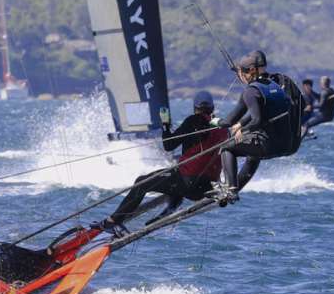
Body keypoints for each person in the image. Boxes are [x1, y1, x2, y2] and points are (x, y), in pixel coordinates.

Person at [98, 90, 231, 231]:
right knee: (174, 176)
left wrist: (166, 125)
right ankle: (170, 208)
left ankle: (113, 221)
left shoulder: (192, 121)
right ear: (212, 108)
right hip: (206, 189)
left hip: (188, 184)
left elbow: (168, 146)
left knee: (141, 182)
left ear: (195, 107)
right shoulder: (223, 129)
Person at [219, 50, 300, 193]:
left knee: (226, 147)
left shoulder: (250, 91)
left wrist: (217, 122)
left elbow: (235, 120)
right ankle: (234, 189)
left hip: (268, 145)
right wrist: (242, 124)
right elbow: (264, 111)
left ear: (250, 71)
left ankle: (230, 188)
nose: (240, 76)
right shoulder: (275, 86)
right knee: (252, 154)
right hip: (287, 145)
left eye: (241, 73)